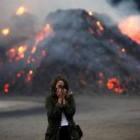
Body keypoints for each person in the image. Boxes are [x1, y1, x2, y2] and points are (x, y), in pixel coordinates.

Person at [45, 75, 80, 140]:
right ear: (54, 86)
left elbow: (71, 113)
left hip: (70, 130)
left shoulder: (70, 98)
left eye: (63, 87)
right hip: (55, 132)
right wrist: (59, 100)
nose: (61, 89)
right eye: (59, 86)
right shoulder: (49, 99)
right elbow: (52, 115)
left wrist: (64, 100)